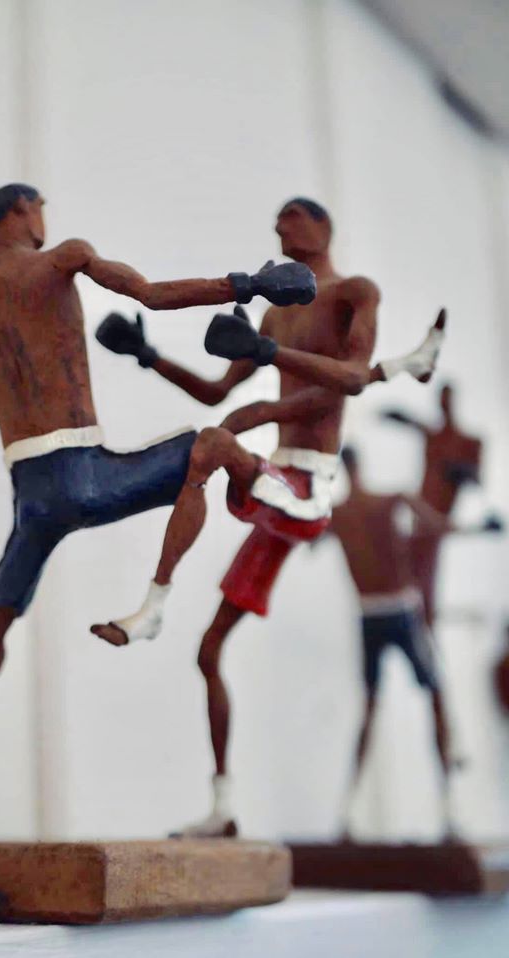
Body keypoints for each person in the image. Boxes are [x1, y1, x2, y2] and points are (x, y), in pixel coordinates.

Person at [0, 183, 318, 838]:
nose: (44, 219)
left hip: (33, 500)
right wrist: (247, 285)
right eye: (39, 208)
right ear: (21, 212)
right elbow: (151, 294)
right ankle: (171, 586)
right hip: (85, 476)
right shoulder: (63, 258)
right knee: (211, 445)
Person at [92, 198, 445, 836]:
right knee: (209, 652)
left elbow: (351, 380)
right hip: (278, 484)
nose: (280, 229)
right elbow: (217, 391)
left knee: (213, 444)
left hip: (310, 489)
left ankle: (153, 603)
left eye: (291, 219)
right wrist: (148, 355)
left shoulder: (354, 293)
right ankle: (223, 807)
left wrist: (268, 362)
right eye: (277, 223)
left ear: (322, 228)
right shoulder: (278, 310)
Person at [329, 446, 500, 838]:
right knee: (432, 698)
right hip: (398, 613)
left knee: (376, 708)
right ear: (360, 466)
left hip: (373, 614)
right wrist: (479, 528)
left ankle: (350, 813)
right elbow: (439, 527)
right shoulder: (388, 501)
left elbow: (306, 536)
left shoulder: (340, 514)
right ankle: (447, 811)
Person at [380, 384, 483, 628]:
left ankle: (423, 620)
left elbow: (476, 479)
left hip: (439, 516)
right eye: (441, 400)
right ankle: (416, 619)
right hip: (422, 513)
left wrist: (457, 471)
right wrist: (397, 416)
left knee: (425, 568)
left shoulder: (469, 441)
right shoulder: (432, 435)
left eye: (447, 400)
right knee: (412, 565)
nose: (443, 405)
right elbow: (412, 423)